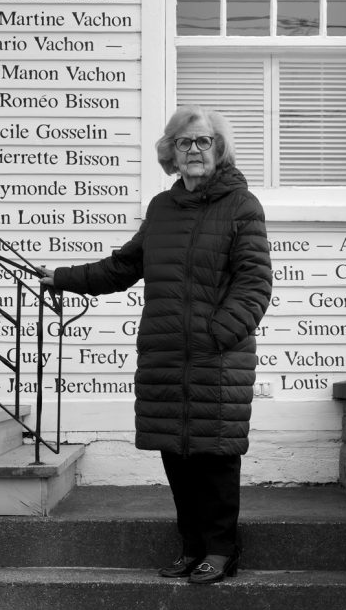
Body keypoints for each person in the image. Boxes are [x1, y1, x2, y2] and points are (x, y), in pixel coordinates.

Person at [38, 105, 272, 584]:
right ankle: (192, 547)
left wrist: (217, 334)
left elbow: (254, 283)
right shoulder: (162, 209)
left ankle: (222, 550)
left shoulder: (242, 207)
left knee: (215, 454)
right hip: (165, 355)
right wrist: (62, 277)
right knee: (176, 454)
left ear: (219, 149)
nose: (194, 150)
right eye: (184, 142)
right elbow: (123, 267)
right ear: (171, 152)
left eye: (203, 141)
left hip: (217, 358)